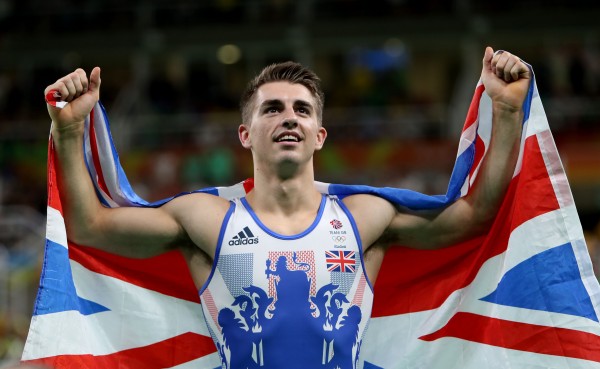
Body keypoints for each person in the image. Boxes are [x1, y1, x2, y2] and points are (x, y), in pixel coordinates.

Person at [44, 46, 529, 369]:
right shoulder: (205, 220)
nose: (288, 118)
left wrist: (506, 112)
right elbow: (88, 228)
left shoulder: (364, 218)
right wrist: (68, 133)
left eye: (302, 109)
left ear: (319, 136)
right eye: (271, 108)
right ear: (245, 133)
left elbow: (474, 216)